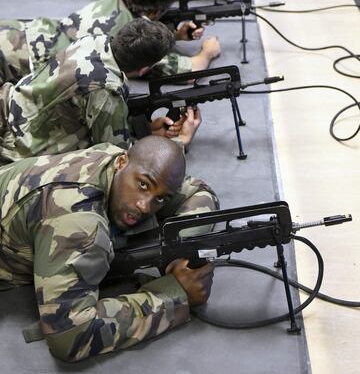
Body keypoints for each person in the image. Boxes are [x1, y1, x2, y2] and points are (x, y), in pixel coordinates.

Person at [0, 136, 218, 361]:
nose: (144, 206)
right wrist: (175, 295)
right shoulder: (76, 220)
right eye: (143, 185)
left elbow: (200, 193)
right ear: (122, 162)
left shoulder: (115, 161)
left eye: (160, 199)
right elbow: (70, 337)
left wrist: (175, 251)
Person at [0, 18, 204, 165]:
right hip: (16, 147)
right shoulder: (105, 90)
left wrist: (143, 129)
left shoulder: (93, 41)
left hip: (10, 105)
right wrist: (180, 142)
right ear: (143, 69)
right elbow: (118, 162)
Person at [0, 0, 220, 84]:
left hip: (19, 31)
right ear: (155, 11)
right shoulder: (132, 41)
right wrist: (208, 51)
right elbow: (191, 71)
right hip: (19, 60)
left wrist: (175, 35)